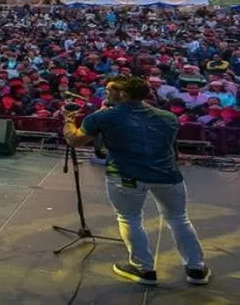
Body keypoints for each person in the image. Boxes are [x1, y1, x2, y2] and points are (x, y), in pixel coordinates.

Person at [63, 75, 211, 286]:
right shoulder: (168, 117)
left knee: (129, 218)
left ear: (121, 94)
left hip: (126, 176)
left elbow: (74, 139)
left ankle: (143, 269)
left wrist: (69, 118)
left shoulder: (102, 117)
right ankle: (196, 269)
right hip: (167, 176)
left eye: (109, 90)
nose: (106, 94)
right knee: (179, 218)